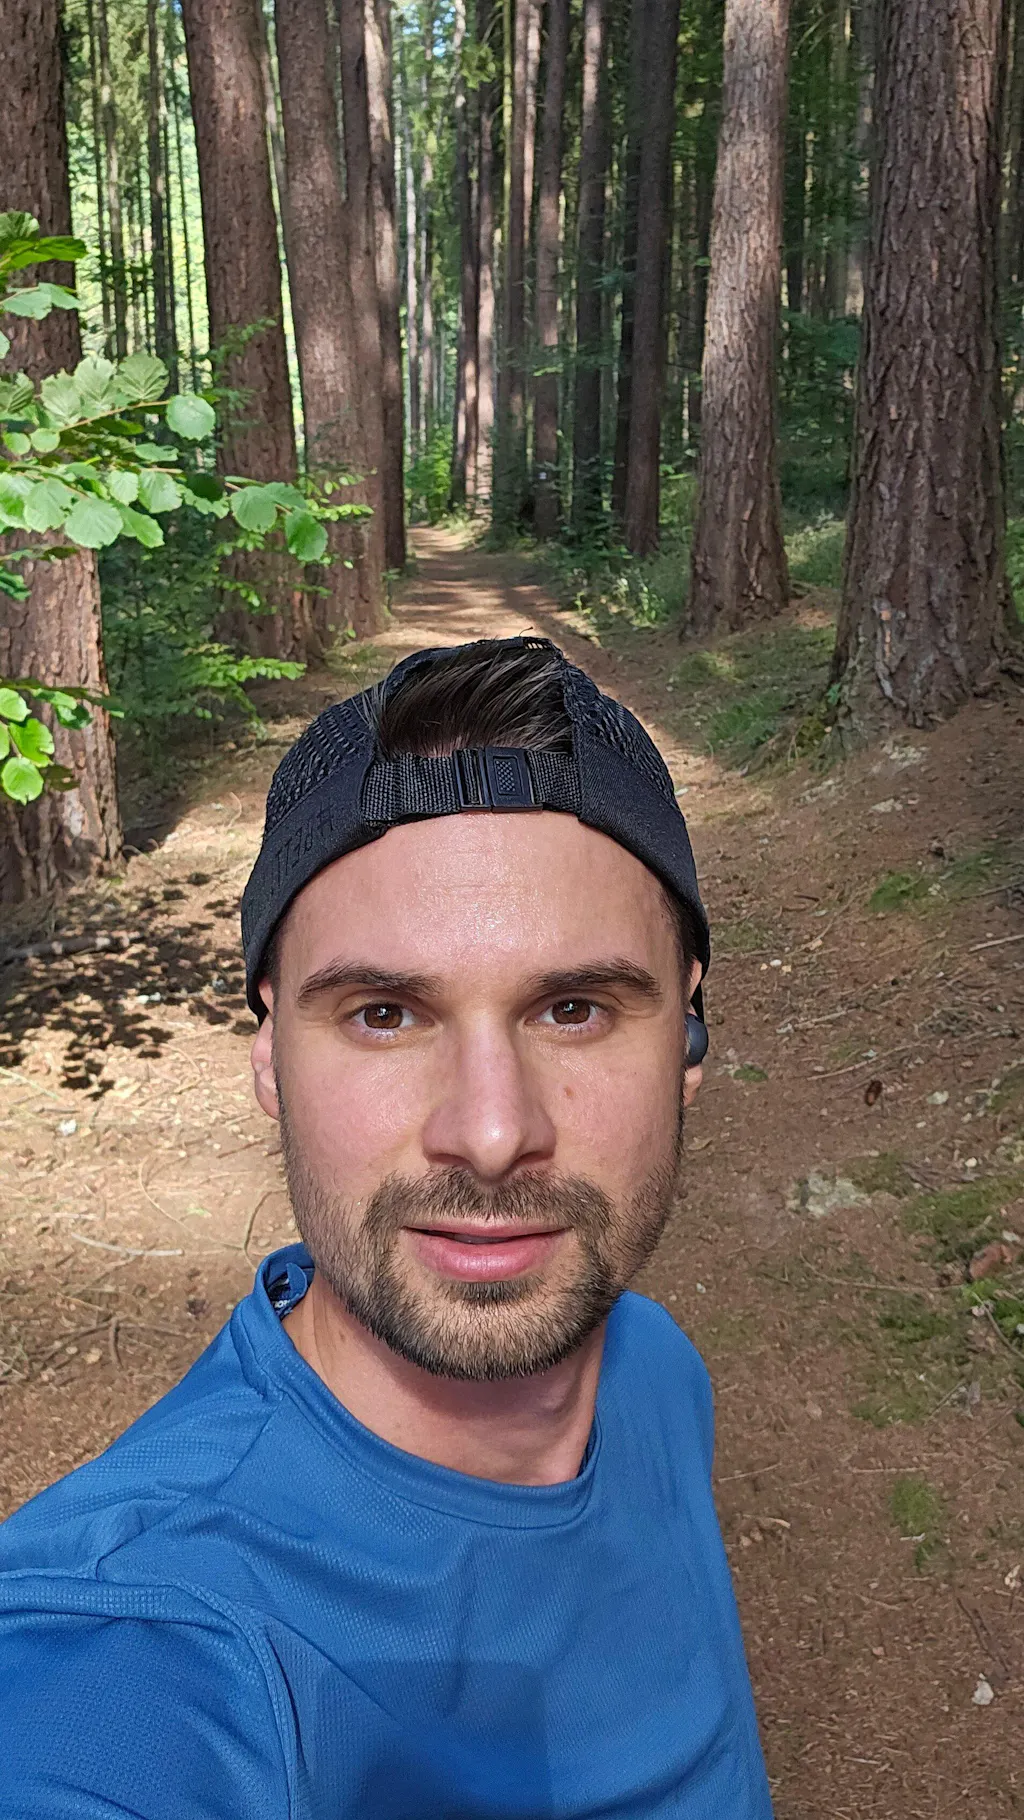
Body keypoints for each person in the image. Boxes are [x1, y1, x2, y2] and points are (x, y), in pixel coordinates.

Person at [0, 637, 773, 1818]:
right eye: (383, 1013)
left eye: (574, 1008)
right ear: (269, 1054)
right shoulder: (144, 1636)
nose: (492, 1132)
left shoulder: (653, 1368)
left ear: (688, 1036)